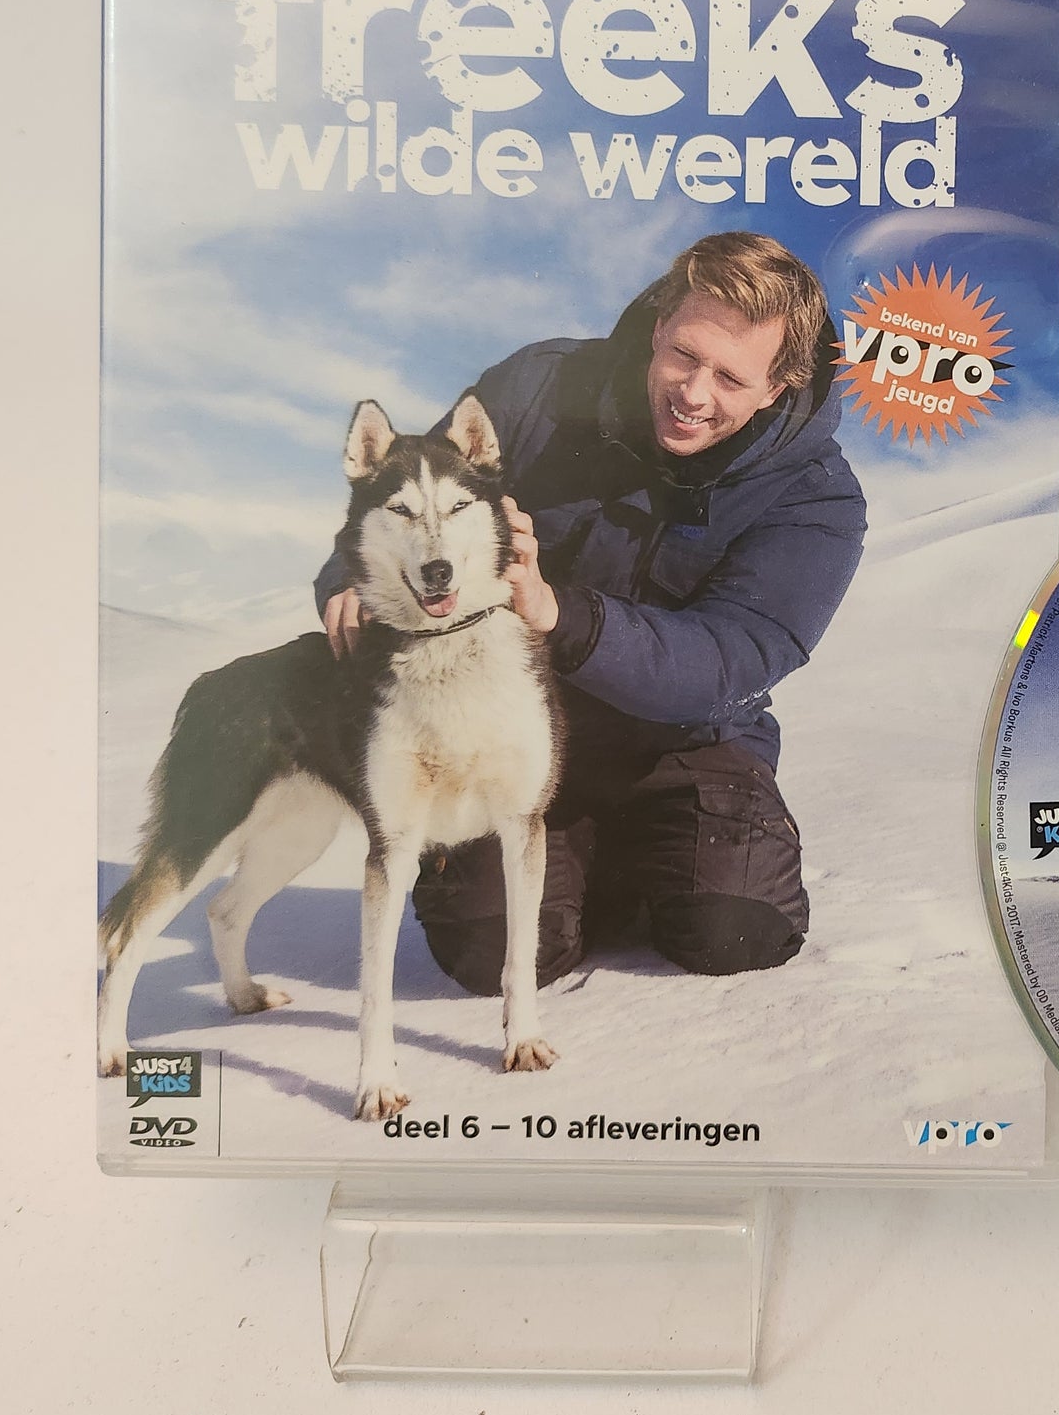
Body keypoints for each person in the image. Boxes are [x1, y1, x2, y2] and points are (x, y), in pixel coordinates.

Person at [316, 232, 866, 984]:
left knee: (736, 929)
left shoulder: (817, 500)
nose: (693, 392)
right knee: (488, 949)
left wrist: (559, 613)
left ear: (777, 387)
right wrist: (348, 583)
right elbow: (403, 490)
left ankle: (628, 864)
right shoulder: (538, 387)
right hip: (505, 726)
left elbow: (729, 658)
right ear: (660, 325)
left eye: (731, 378)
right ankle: (574, 880)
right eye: (684, 354)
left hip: (685, 746)